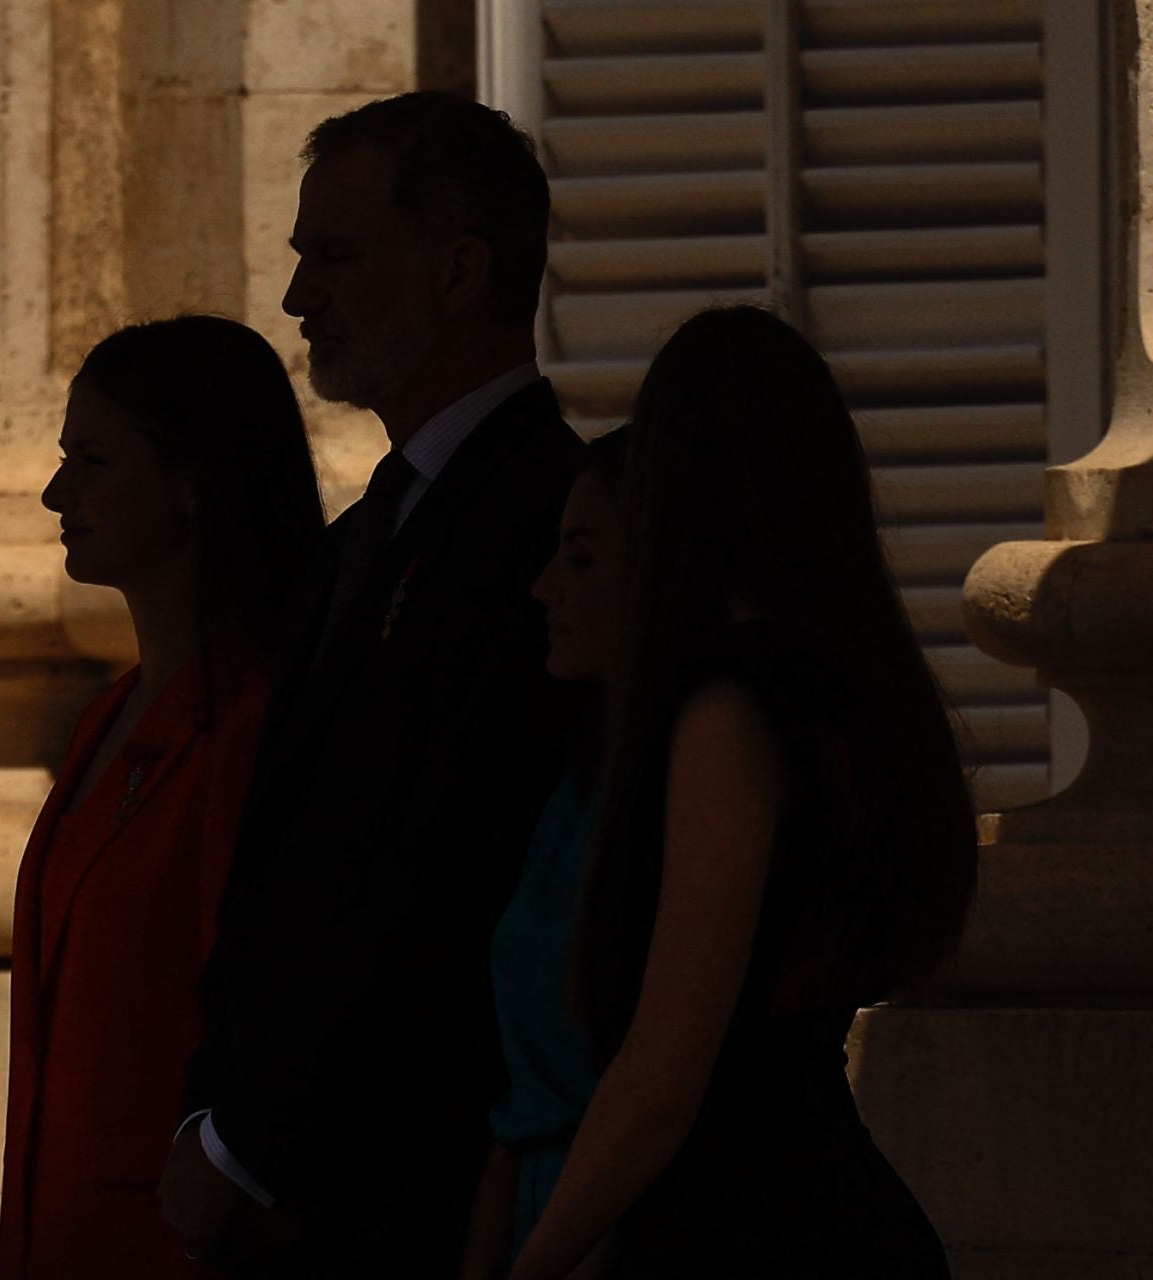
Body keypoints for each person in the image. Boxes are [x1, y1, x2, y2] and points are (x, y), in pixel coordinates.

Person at [158, 91, 585, 1275]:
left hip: (421, 1200)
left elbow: (445, 866)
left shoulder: (550, 524)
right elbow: (274, 876)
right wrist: (210, 1119)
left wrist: (248, 1142)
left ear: (459, 270)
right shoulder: (366, 539)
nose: (300, 300)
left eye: (336, 257)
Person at [507, 306, 977, 1280]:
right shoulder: (847, 693)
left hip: (755, 1233)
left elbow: (665, 1079)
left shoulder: (732, 711)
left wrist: (535, 1262)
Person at [0, 315, 325, 1279]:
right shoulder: (106, 722)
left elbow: (254, 1032)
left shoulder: (253, 731)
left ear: (194, 484)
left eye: (94, 461)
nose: (60, 493)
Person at [460, 430, 627, 1279]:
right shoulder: (573, 791)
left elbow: (650, 1104)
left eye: (585, 563)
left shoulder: (682, 790)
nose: (544, 588)